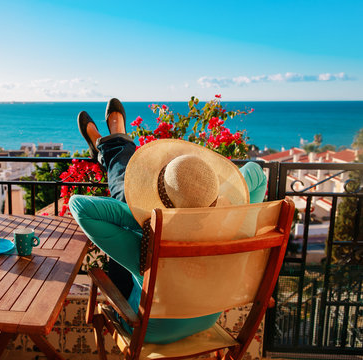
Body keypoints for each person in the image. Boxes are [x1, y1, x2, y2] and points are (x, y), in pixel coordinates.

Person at [69, 98, 268, 344]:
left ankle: (112, 144)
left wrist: (145, 219)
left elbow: (79, 206)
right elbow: (257, 173)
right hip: (206, 318)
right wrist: (227, 207)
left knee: (123, 194)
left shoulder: (146, 247)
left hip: (145, 329)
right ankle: (112, 143)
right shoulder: (235, 229)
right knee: (122, 193)